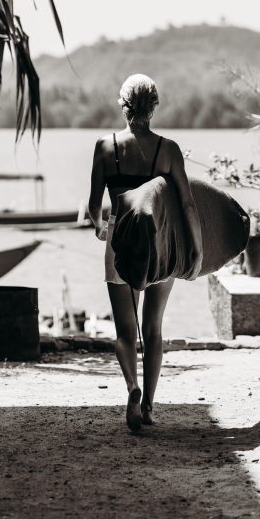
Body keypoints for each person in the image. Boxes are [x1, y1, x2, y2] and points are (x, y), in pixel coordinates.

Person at [87, 74, 203, 432]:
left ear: (123, 106)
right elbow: (186, 205)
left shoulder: (105, 147)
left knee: (125, 331)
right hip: (159, 244)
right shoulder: (167, 149)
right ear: (154, 107)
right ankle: (149, 405)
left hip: (120, 244)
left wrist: (101, 229)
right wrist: (196, 250)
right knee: (153, 329)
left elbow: (94, 207)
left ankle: (132, 388)